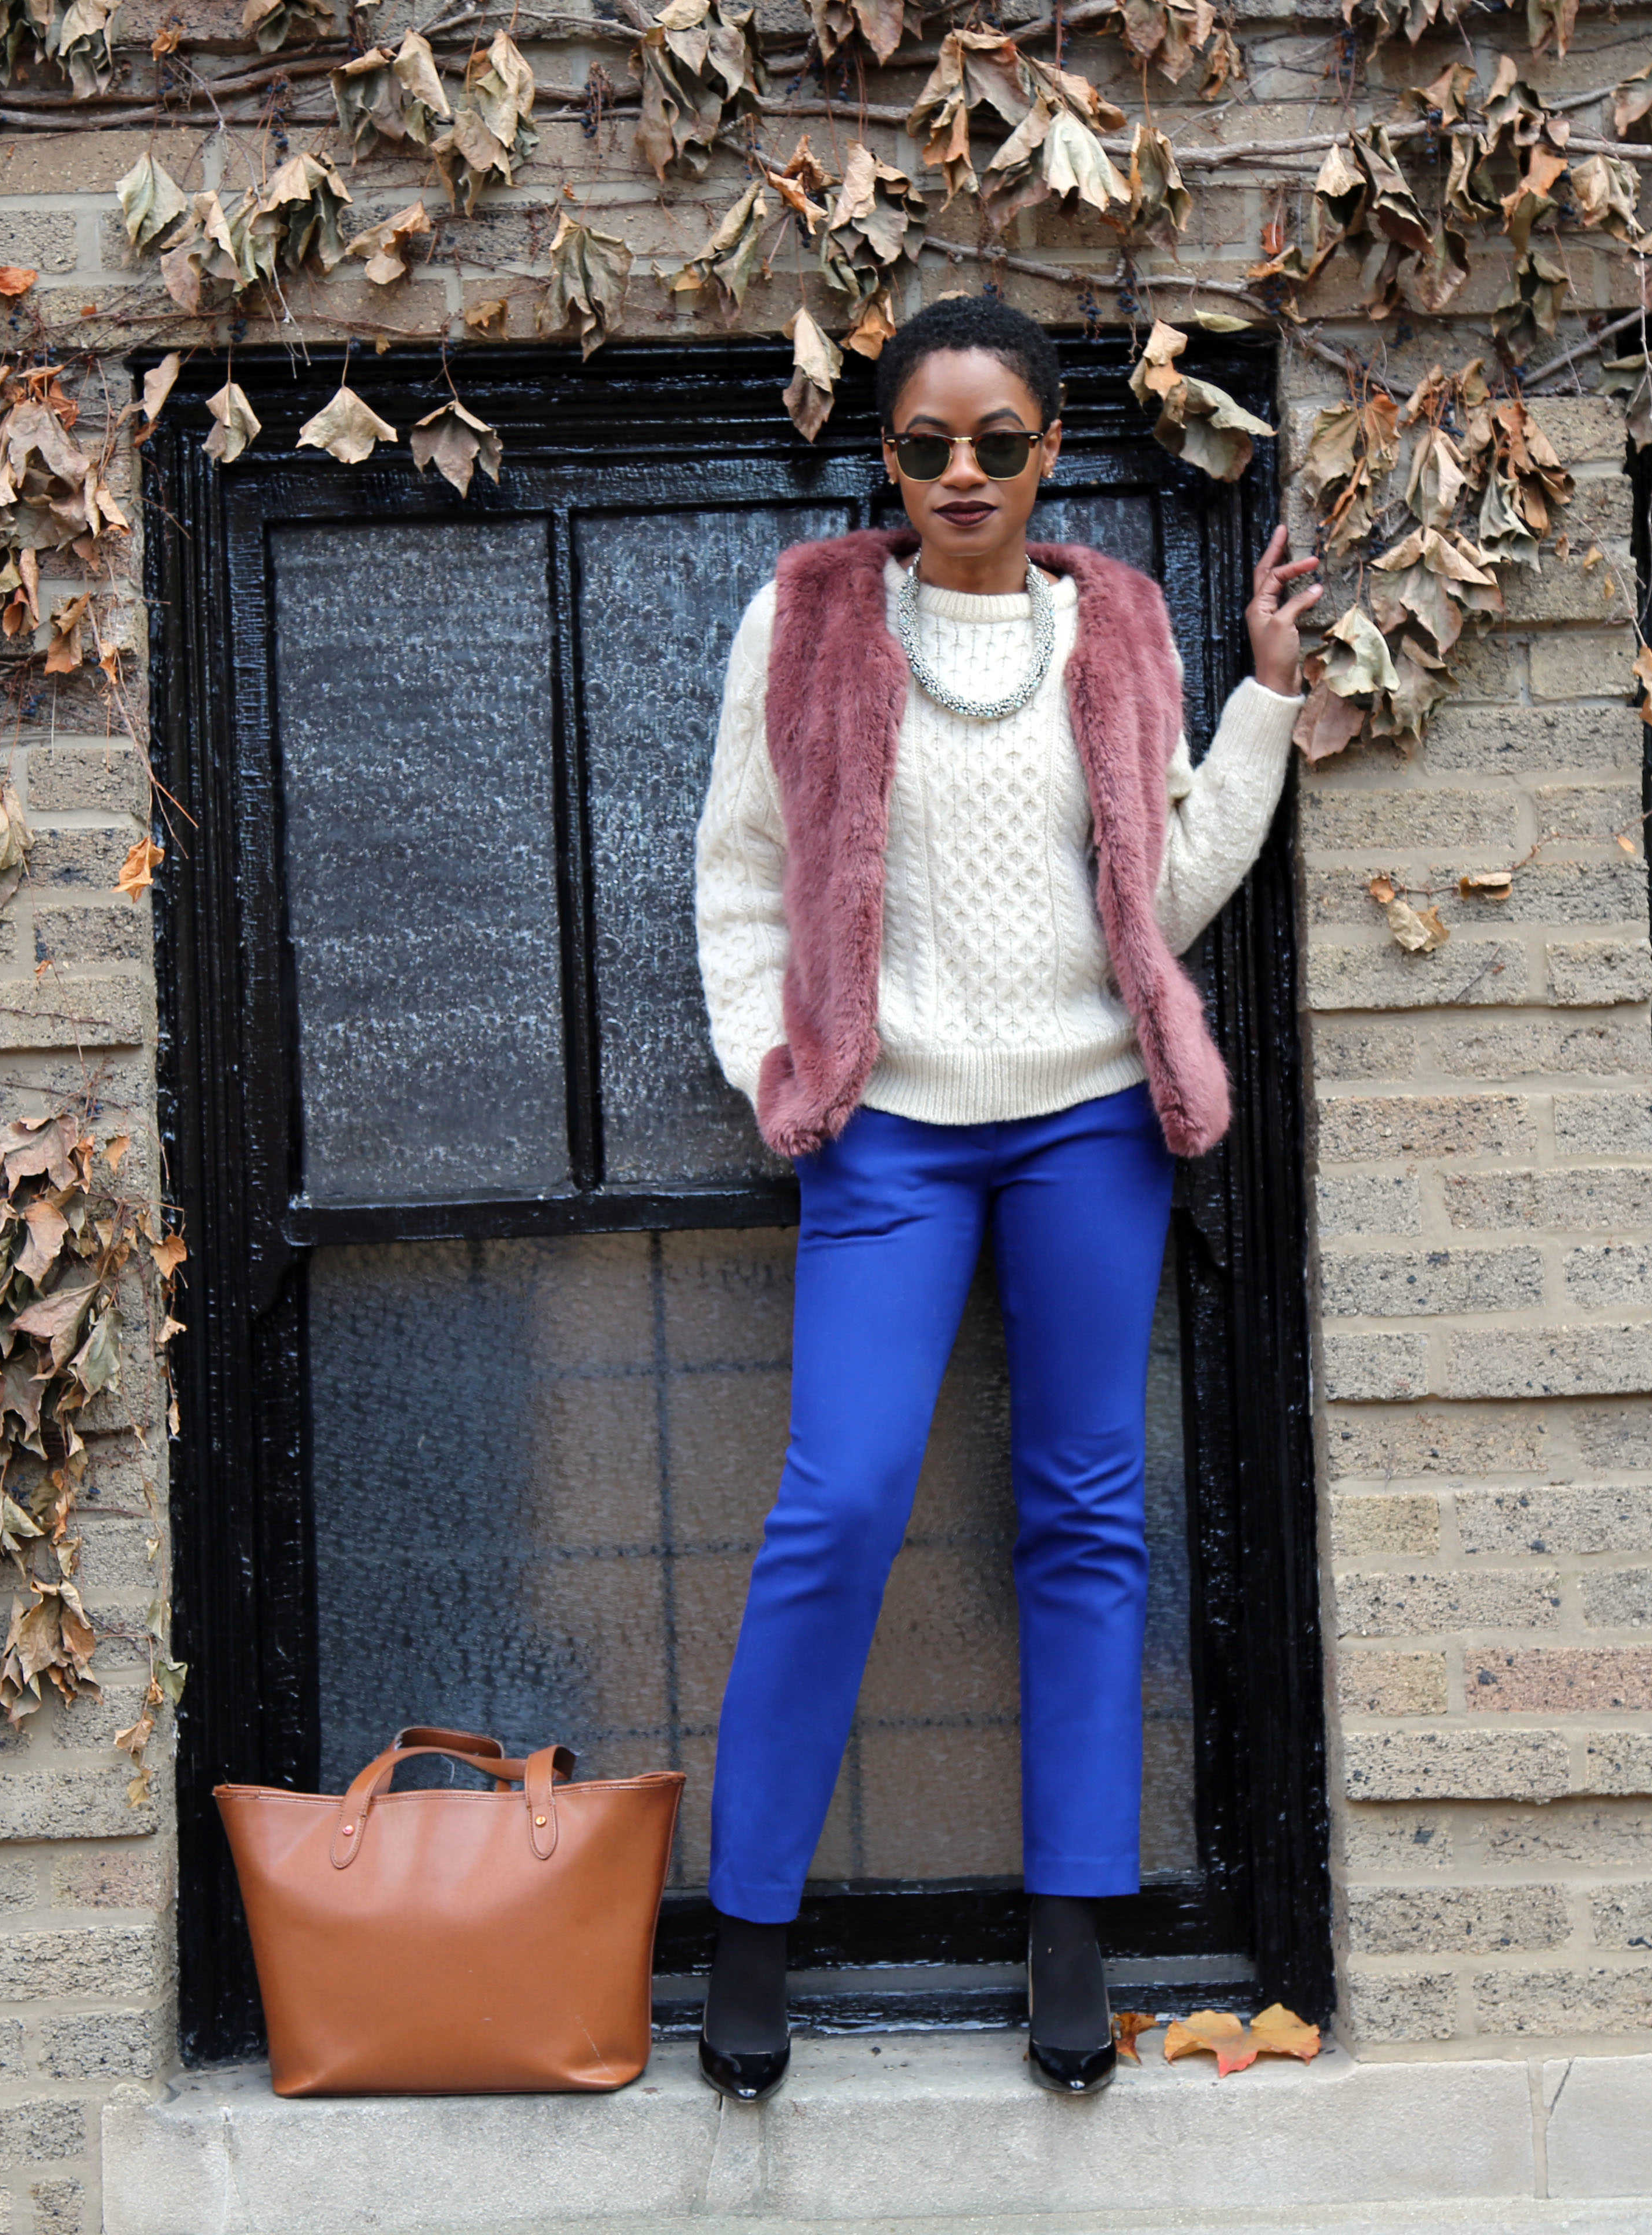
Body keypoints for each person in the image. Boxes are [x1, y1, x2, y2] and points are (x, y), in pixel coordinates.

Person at [688, 294, 1321, 2102]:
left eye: (1000, 443)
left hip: (1086, 1126)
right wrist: (773, 1062)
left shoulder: (1114, 622)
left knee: (1085, 1509)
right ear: (885, 457)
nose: (962, 473)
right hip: (884, 1129)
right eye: (924, 445)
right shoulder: (806, 615)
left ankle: (1069, 1923)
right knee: (844, 1497)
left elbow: (1162, 884)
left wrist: (1268, 704)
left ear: (1053, 454)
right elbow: (739, 869)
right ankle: (750, 1926)